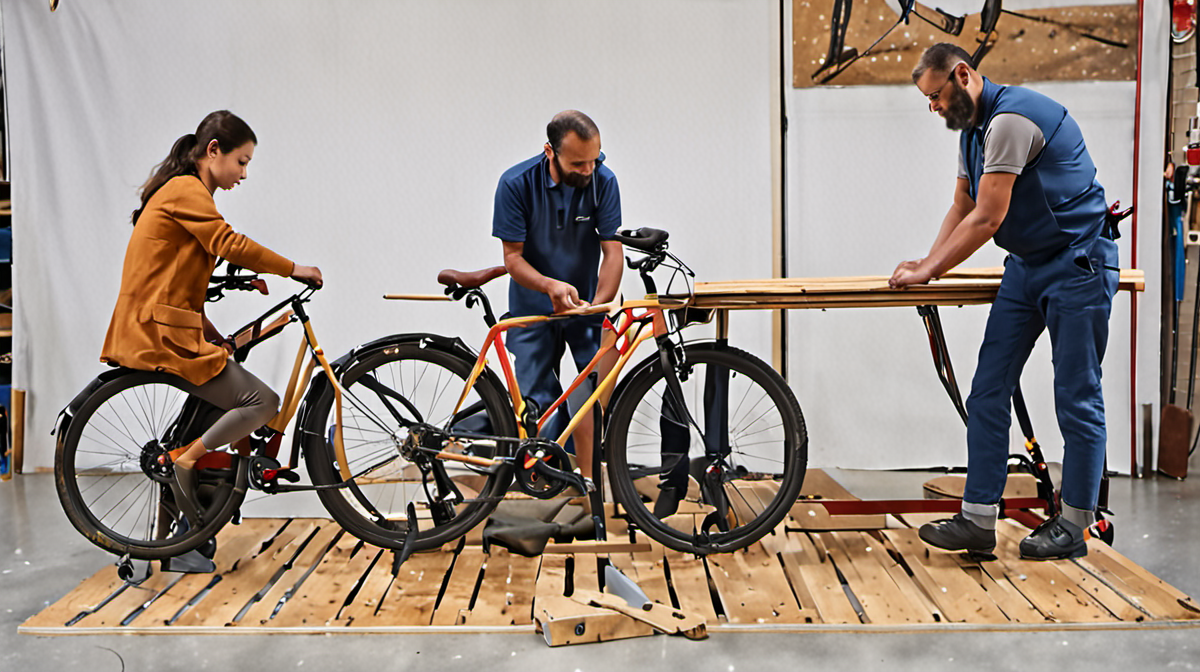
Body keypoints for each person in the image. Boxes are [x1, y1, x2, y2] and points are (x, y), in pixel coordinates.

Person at [892, 44, 1119, 560]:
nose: (934, 109)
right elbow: (963, 205)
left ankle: (1077, 525)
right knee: (987, 389)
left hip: (1077, 262)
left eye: (936, 97)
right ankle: (978, 518)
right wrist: (925, 264)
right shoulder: (972, 131)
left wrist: (931, 270)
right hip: (1026, 265)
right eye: (927, 101)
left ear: (963, 75)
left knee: (1076, 396)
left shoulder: (1011, 120)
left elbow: (989, 219)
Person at [100, 110, 323, 526]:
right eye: (242, 162)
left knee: (233, 371)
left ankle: (194, 506)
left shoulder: (183, 192)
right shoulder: (186, 190)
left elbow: (179, 289)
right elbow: (228, 242)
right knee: (263, 402)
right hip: (159, 334)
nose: (244, 173)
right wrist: (293, 268)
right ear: (213, 151)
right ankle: (187, 461)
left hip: (163, 324)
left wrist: (216, 334)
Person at [492, 110, 623, 480]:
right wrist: (549, 286)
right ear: (550, 152)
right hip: (533, 306)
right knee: (540, 406)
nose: (588, 170)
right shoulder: (515, 184)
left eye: (594, 160)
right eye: (577, 163)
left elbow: (613, 251)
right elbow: (512, 259)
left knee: (588, 402)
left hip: (586, 308)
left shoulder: (604, 180)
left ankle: (585, 488)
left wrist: (599, 304)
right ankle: (550, 484)